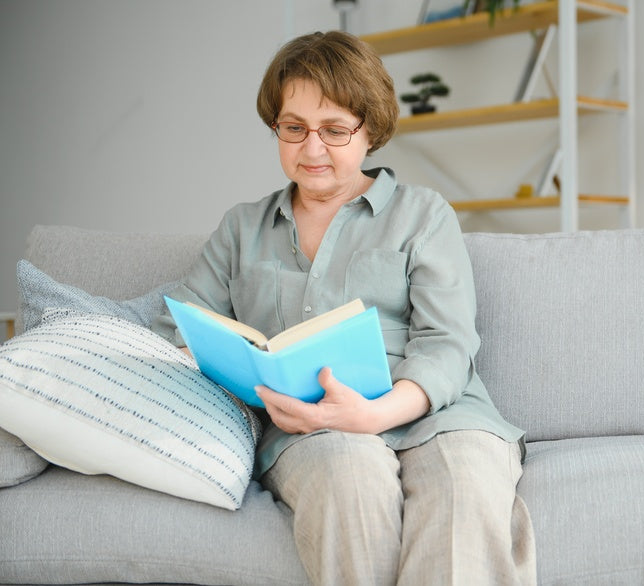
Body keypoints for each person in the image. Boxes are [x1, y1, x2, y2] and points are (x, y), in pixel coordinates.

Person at [152, 30, 535, 585]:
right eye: (294, 128)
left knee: (464, 484)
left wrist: (375, 415)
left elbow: (448, 343)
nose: (312, 149)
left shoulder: (423, 215)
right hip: (311, 430)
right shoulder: (241, 229)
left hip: (441, 418)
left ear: (370, 129)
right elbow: (176, 330)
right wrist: (246, 383)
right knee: (346, 480)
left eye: (334, 130)